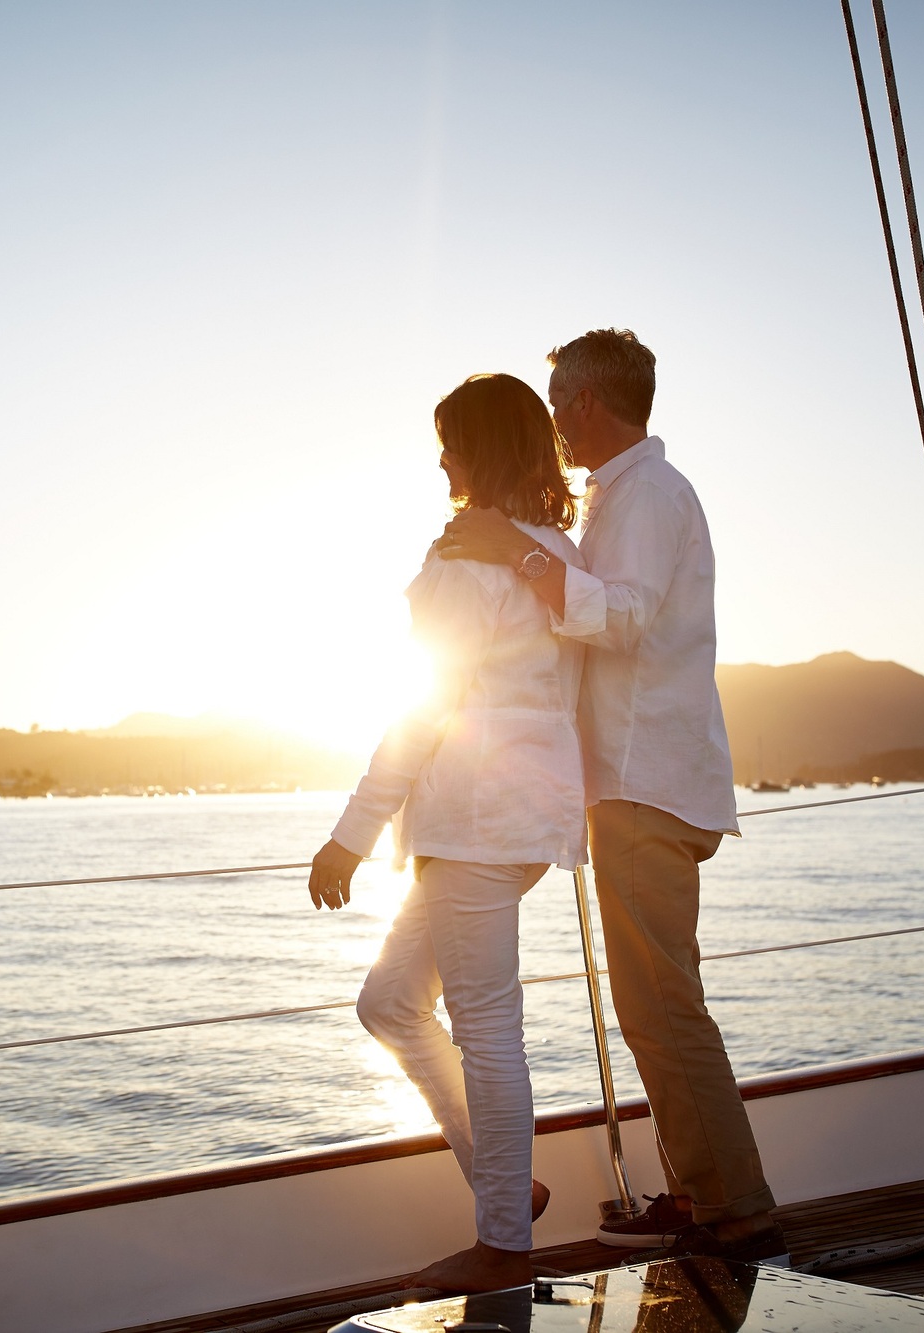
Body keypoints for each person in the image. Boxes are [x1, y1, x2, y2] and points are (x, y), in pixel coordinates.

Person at [435, 329, 784, 1263]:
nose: (552, 419)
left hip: (644, 782)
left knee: (662, 1004)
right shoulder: (624, 497)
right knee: (651, 1002)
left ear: (587, 401)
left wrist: (516, 551)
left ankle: (738, 1209)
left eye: (558, 401)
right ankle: (704, 1193)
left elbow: (623, 618)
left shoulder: (648, 496)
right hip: (640, 782)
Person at [308, 372, 589, 1294]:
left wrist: (352, 833)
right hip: (516, 820)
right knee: (390, 1001)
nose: (441, 460)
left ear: (485, 450)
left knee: (487, 1029)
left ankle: (504, 1245)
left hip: (473, 820)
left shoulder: (470, 561)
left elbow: (426, 706)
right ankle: (510, 1188)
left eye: (453, 443)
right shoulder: (548, 552)